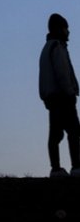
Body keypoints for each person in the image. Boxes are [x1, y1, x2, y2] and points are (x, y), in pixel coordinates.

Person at [39, 13, 80, 177]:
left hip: (52, 98)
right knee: (74, 131)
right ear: (59, 29)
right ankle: (77, 167)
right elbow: (62, 72)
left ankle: (55, 169)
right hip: (62, 96)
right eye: (66, 28)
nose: (68, 31)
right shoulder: (57, 46)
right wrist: (70, 92)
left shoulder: (47, 47)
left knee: (55, 134)